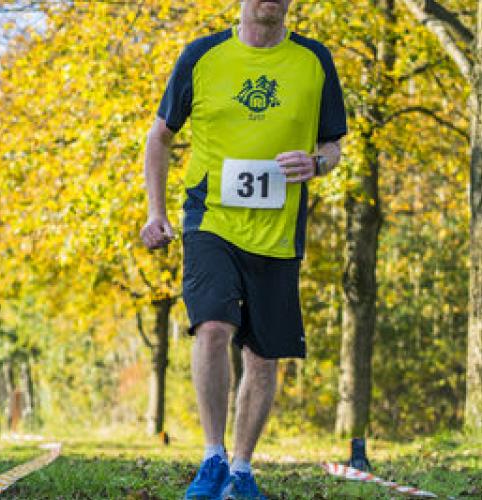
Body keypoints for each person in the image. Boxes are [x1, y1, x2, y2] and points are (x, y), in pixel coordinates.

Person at [140, 0, 346, 498]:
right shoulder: (201, 56)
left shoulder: (315, 61)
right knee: (212, 327)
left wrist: (317, 164)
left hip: (278, 231)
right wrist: (155, 211)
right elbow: (160, 137)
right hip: (210, 219)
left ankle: (241, 470)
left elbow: (333, 146)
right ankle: (212, 457)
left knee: (262, 355)